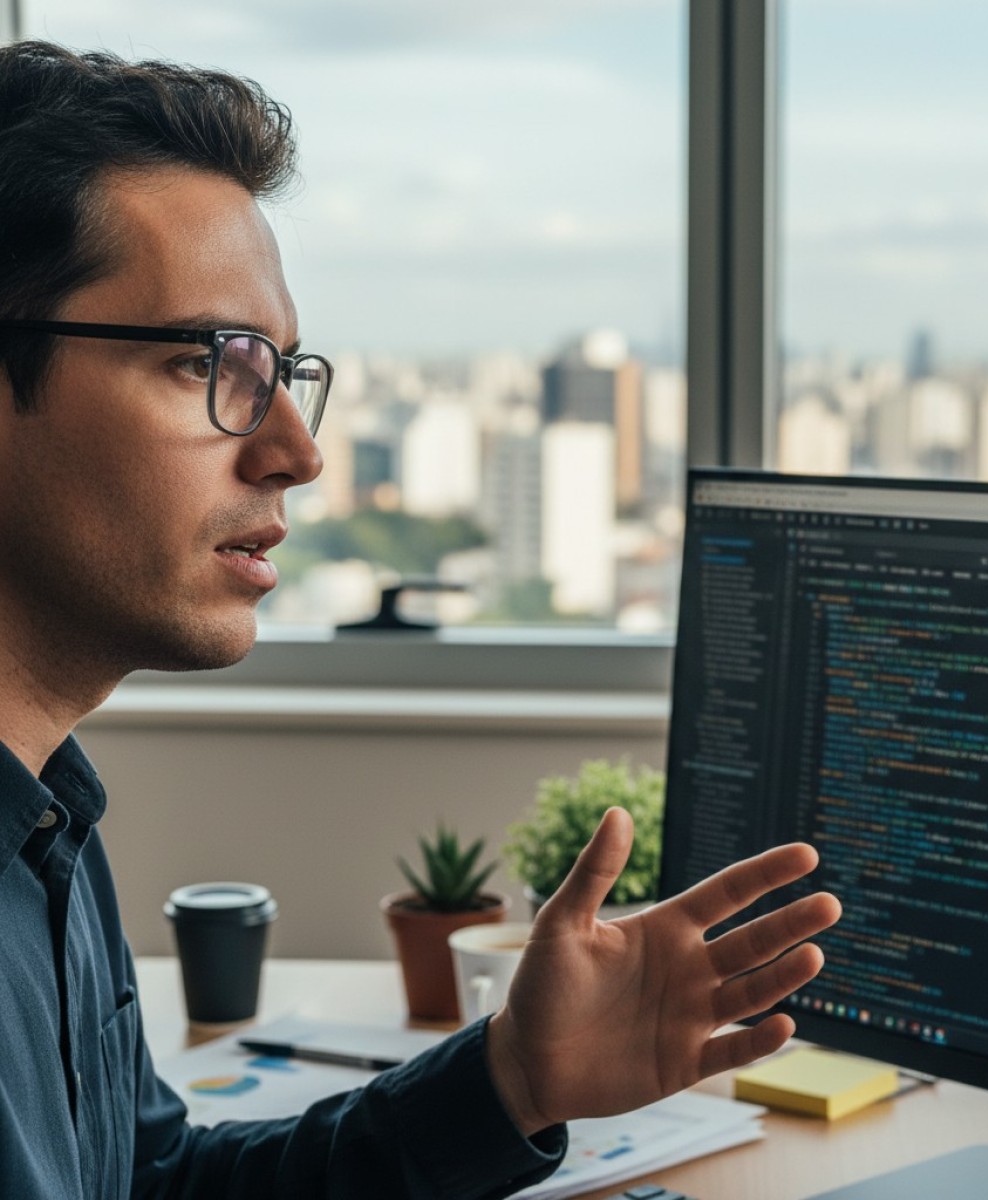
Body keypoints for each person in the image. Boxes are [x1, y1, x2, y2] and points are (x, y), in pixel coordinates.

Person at [0, 39, 842, 1200]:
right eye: (215, 362)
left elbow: (152, 1184)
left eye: (284, 372)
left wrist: (510, 1082)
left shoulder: (44, 822)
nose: (296, 452)